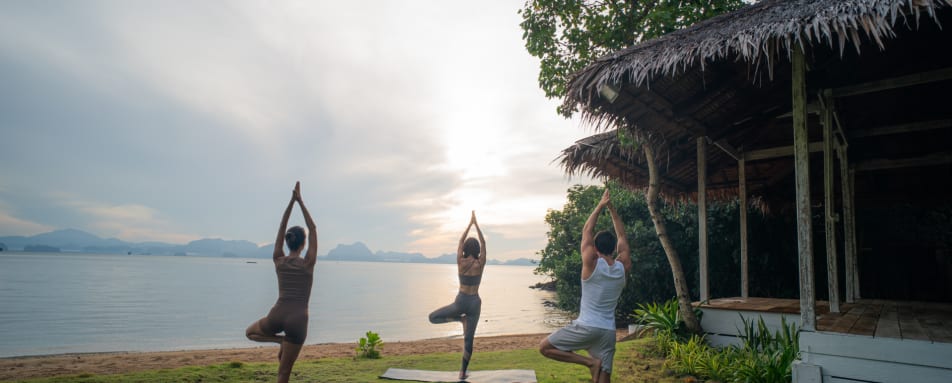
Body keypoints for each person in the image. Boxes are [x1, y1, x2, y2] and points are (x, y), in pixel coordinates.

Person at [539, 188, 631, 383]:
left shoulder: (591, 263)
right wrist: (612, 210)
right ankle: (595, 364)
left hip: (587, 326)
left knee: (545, 347)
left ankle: (589, 363)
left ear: (595, 249)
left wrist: (600, 206)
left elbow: (587, 231)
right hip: (607, 331)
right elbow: (622, 236)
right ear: (614, 248)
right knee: (604, 377)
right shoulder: (622, 268)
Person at [246, 181, 317, 383]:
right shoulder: (308, 263)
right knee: (284, 373)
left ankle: (279, 342)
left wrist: (290, 203)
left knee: (250, 333)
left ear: (287, 242)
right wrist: (300, 201)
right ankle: (283, 342)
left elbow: (282, 226)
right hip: (299, 320)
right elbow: (312, 228)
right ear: (304, 243)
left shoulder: (278, 259)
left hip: (277, 314)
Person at [428, 210, 487, 381]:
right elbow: (483, 242)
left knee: (432, 318)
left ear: (465, 249)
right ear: (476, 250)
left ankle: (459, 320)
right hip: (475, 302)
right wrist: (477, 225)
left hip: (460, 301)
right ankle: (462, 372)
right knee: (469, 341)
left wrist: (469, 224)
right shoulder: (480, 263)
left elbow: (461, 241)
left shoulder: (460, 262)